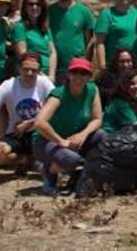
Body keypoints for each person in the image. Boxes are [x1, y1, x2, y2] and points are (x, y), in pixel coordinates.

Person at [33, 58, 103, 196]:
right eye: (75, 72)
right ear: (69, 75)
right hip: (46, 141)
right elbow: (39, 122)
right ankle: (48, 171)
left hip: (74, 138)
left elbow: (97, 119)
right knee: (71, 159)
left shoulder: (92, 89)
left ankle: (84, 177)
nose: (79, 76)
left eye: (84, 73)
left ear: (89, 76)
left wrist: (83, 134)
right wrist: (60, 141)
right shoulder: (58, 94)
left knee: (102, 136)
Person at [0, 53, 53, 172]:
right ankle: (23, 159)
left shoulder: (44, 83)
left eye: (34, 70)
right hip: (17, 134)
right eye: (26, 69)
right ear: (19, 69)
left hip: (39, 133)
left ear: (39, 71)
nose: (29, 73)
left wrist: (30, 122)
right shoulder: (9, 85)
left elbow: (59, 107)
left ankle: (31, 160)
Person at [48, 0, 95, 84]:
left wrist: (85, 61)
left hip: (76, 68)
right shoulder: (49, 11)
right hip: (54, 69)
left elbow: (90, 40)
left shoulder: (84, 11)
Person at [95, 0, 137, 73]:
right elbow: (100, 43)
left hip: (133, 64)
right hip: (115, 66)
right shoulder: (107, 14)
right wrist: (102, 67)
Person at [13, 0, 57, 81]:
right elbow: (23, 53)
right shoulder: (20, 27)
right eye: (31, 4)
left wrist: (51, 75)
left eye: (38, 4)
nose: (34, 7)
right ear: (25, 7)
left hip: (47, 75)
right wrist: (39, 74)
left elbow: (52, 52)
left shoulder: (45, 28)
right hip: (32, 74)